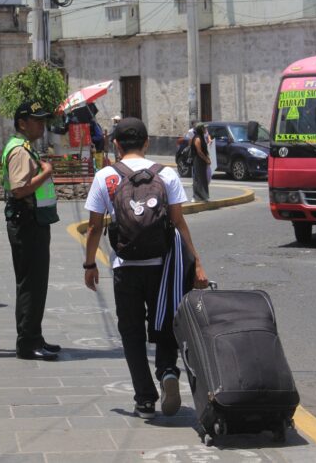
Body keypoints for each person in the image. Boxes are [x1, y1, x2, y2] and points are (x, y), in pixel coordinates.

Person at [82, 117, 209, 419]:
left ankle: (144, 399)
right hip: (164, 267)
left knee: (131, 332)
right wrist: (197, 263)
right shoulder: (166, 175)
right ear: (147, 142)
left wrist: (89, 264)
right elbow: (178, 222)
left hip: (126, 268)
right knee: (165, 323)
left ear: (115, 144)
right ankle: (167, 371)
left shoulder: (106, 177)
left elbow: (94, 226)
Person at [0, 100, 61, 361]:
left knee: (36, 284)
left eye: (43, 120)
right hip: (26, 222)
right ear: (22, 123)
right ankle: (27, 342)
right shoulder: (19, 151)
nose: (42, 125)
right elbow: (19, 188)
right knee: (31, 284)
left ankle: (34, 335)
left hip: (32, 221)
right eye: (37, 120)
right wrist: (46, 172)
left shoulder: (26, 148)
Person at [191, 123, 211, 202]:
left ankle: (203, 197)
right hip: (198, 160)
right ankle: (196, 197)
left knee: (203, 178)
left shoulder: (202, 137)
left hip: (202, 161)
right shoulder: (197, 138)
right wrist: (206, 159)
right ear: (200, 129)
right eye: (203, 128)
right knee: (198, 178)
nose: (205, 129)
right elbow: (199, 152)